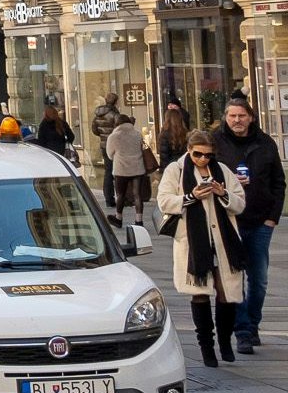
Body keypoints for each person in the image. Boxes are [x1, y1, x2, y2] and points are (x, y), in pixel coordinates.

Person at [160, 130, 248, 367]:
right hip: (193, 242)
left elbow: (240, 203)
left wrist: (222, 193)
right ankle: (206, 347)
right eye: (197, 154)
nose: (203, 159)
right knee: (199, 293)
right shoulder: (176, 170)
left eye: (208, 155)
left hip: (223, 241)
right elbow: (164, 201)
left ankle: (225, 341)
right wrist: (191, 196)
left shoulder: (222, 170)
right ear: (189, 150)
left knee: (227, 293)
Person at [214, 97, 283, 355]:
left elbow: (278, 182)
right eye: (232, 116)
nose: (237, 120)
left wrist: (272, 217)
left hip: (260, 221)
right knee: (234, 279)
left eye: (241, 116)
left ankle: (253, 323)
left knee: (259, 280)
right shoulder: (216, 143)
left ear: (251, 117)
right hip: (229, 220)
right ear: (226, 117)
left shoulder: (265, 143)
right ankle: (242, 331)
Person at [106, 114, 150, 229]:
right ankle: (139, 220)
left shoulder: (113, 136)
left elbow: (109, 155)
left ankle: (118, 218)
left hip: (121, 169)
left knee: (120, 195)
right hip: (137, 168)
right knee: (137, 195)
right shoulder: (137, 134)